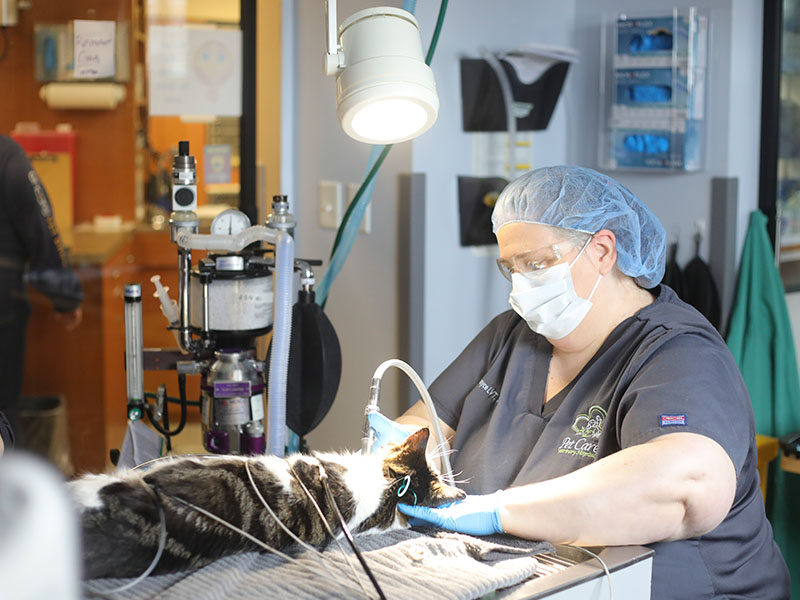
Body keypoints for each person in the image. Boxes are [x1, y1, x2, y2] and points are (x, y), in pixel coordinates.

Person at [371, 166, 790, 599]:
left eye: (536, 264)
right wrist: (394, 459)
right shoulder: (510, 337)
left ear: (603, 250)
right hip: (521, 576)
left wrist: (497, 512)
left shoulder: (679, 354)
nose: (521, 287)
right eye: (510, 269)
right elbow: (424, 425)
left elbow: (687, 486)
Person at [0, 135, 83, 442]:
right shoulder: (7, 155)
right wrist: (65, 298)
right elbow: (41, 230)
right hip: (2, 305)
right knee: (2, 412)